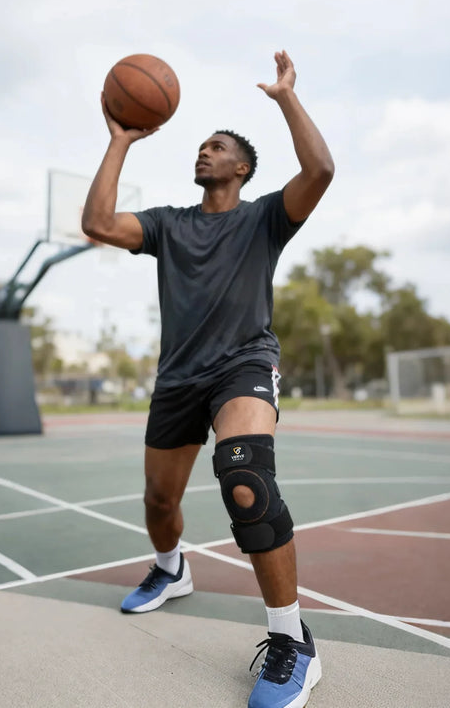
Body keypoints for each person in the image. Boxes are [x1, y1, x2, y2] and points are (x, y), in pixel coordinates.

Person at [82, 50, 334, 708]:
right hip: (177, 377)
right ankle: (171, 569)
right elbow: (98, 224)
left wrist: (284, 99)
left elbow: (322, 169)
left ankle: (290, 640)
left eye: (215, 146)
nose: (203, 151)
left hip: (243, 363)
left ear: (241, 167)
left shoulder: (265, 218)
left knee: (244, 474)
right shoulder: (169, 223)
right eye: (198, 145)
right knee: (158, 502)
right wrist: (119, 141)